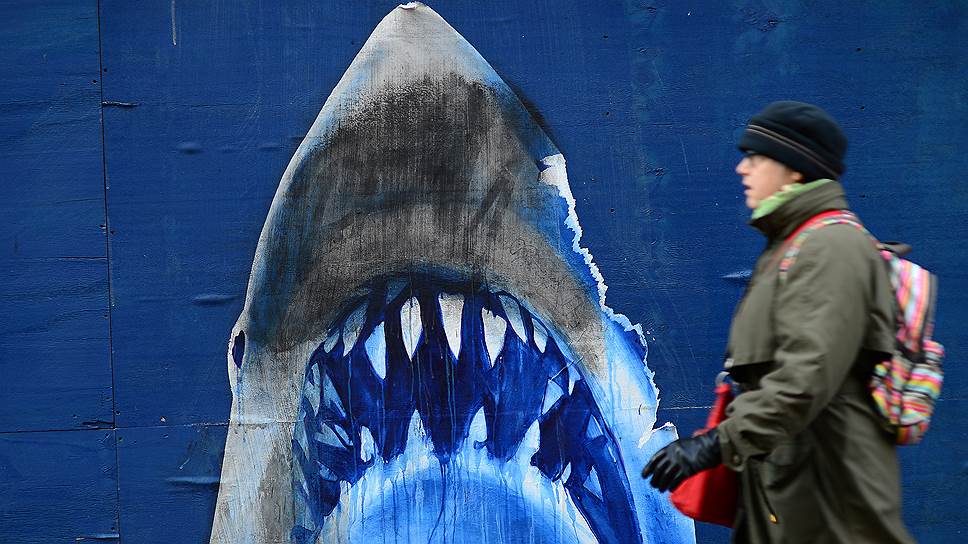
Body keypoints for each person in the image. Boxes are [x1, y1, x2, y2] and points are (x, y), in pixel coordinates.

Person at [642, 101, 914, 543]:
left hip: (823, 492)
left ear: (795, 169)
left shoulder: (831, 248)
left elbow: (807, 377)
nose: (742, 169)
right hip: (787, 485)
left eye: (757, 157)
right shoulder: (794, 245)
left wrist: (714, 444)